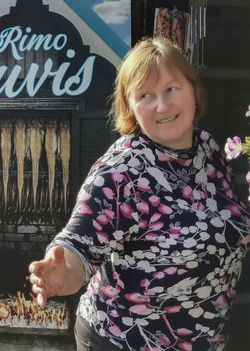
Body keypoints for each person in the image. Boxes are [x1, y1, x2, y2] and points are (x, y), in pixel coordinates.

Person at [28, 37, 249, 350]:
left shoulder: (209, 148)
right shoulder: (124, 168)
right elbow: (80, 240)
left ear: (193, 92)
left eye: (172, 88)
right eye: (146, 95)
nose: (162, 105)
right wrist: (64, 273)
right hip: (125, 340)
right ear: (130, 106)